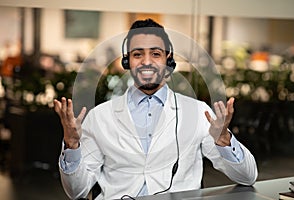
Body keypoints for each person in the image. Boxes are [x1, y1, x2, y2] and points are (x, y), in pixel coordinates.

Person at [54, 18, 258, 200]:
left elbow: (248, 177)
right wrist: (72, 147)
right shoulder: (100, 116)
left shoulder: (197, 112)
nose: (147, 61)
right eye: (137, 54)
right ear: (127, 61)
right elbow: (76, 191)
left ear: (168, 60)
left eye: (156, 53)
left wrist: (224, 141)